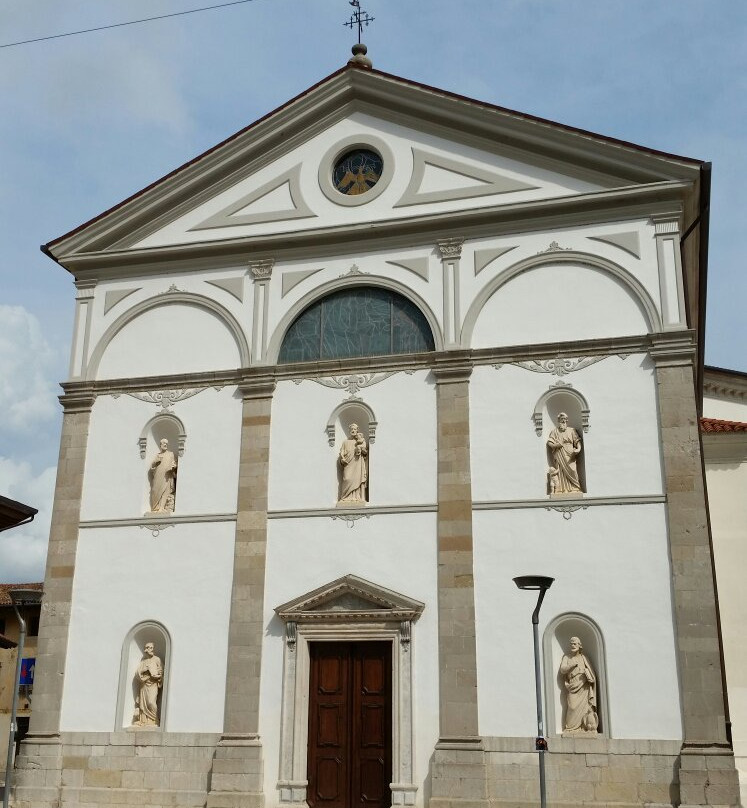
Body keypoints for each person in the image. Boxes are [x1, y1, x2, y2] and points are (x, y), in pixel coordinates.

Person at [559, 636, 598, 733]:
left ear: (579, 645)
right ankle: (570, 728)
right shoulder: (567, 657)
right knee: (572, 707)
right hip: (572, 686)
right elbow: (563, 670)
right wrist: (571, 665)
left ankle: (584, 727)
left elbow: (592, 675)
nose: (572, 645)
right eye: (571, 644)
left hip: (584, 687)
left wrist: (589, 677)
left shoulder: (584, 658)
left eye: (575, 643)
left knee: (585, 709)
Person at [546, 413, 583, 494]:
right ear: (558, 420)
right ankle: (561, 489)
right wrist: (556, 445)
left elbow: (577, 441)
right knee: (561, 471)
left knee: (573, 470)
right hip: (559, 453)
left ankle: (575, 487)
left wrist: (578, 449)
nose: (562, 421)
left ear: (567, 420)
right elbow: (549, 443)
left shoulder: (572, 430)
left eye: (564, 419)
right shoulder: (554, 431)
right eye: (560, 419)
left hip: (570, 454)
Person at [133, 642, 163, 727]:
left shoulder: (157, 659)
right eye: (148, 647)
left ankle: (154, 720)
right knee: (143, 703)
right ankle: (143, 721)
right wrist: (144, 670)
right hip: (144, 685)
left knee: (151, 702)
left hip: (153, 683)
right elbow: (137, 673)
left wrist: (158, 675)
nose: (150, 649)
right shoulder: (143, 661)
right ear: (145, 649)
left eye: (151, 647)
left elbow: (161, 671)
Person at [338, 423, 368, 504]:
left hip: (358, 463)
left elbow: (365, 452)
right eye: (351, 429)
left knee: (357, 479)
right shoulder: (345, 442)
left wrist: (361, 449)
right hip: (348, 464)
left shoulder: (360, 440)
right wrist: (342, 460)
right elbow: (341, 454)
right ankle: (345, 497)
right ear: (349, 431)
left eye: (354, 429)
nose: (353, 431)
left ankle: (357, 497)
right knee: (347, 479)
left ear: (357, 430)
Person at [149, 438, 177, 513]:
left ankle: (162, 508)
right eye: (164, 443)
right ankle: (155, 507)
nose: (165, 444)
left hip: (167, 476)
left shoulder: (170, 454)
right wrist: (156, 462)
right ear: (160, 445)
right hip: (158, 476)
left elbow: (174, 463)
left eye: (166, 443)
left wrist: (173, 467)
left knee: (166, 491)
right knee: (155, 490)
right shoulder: (158, 456)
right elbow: (152, 467)